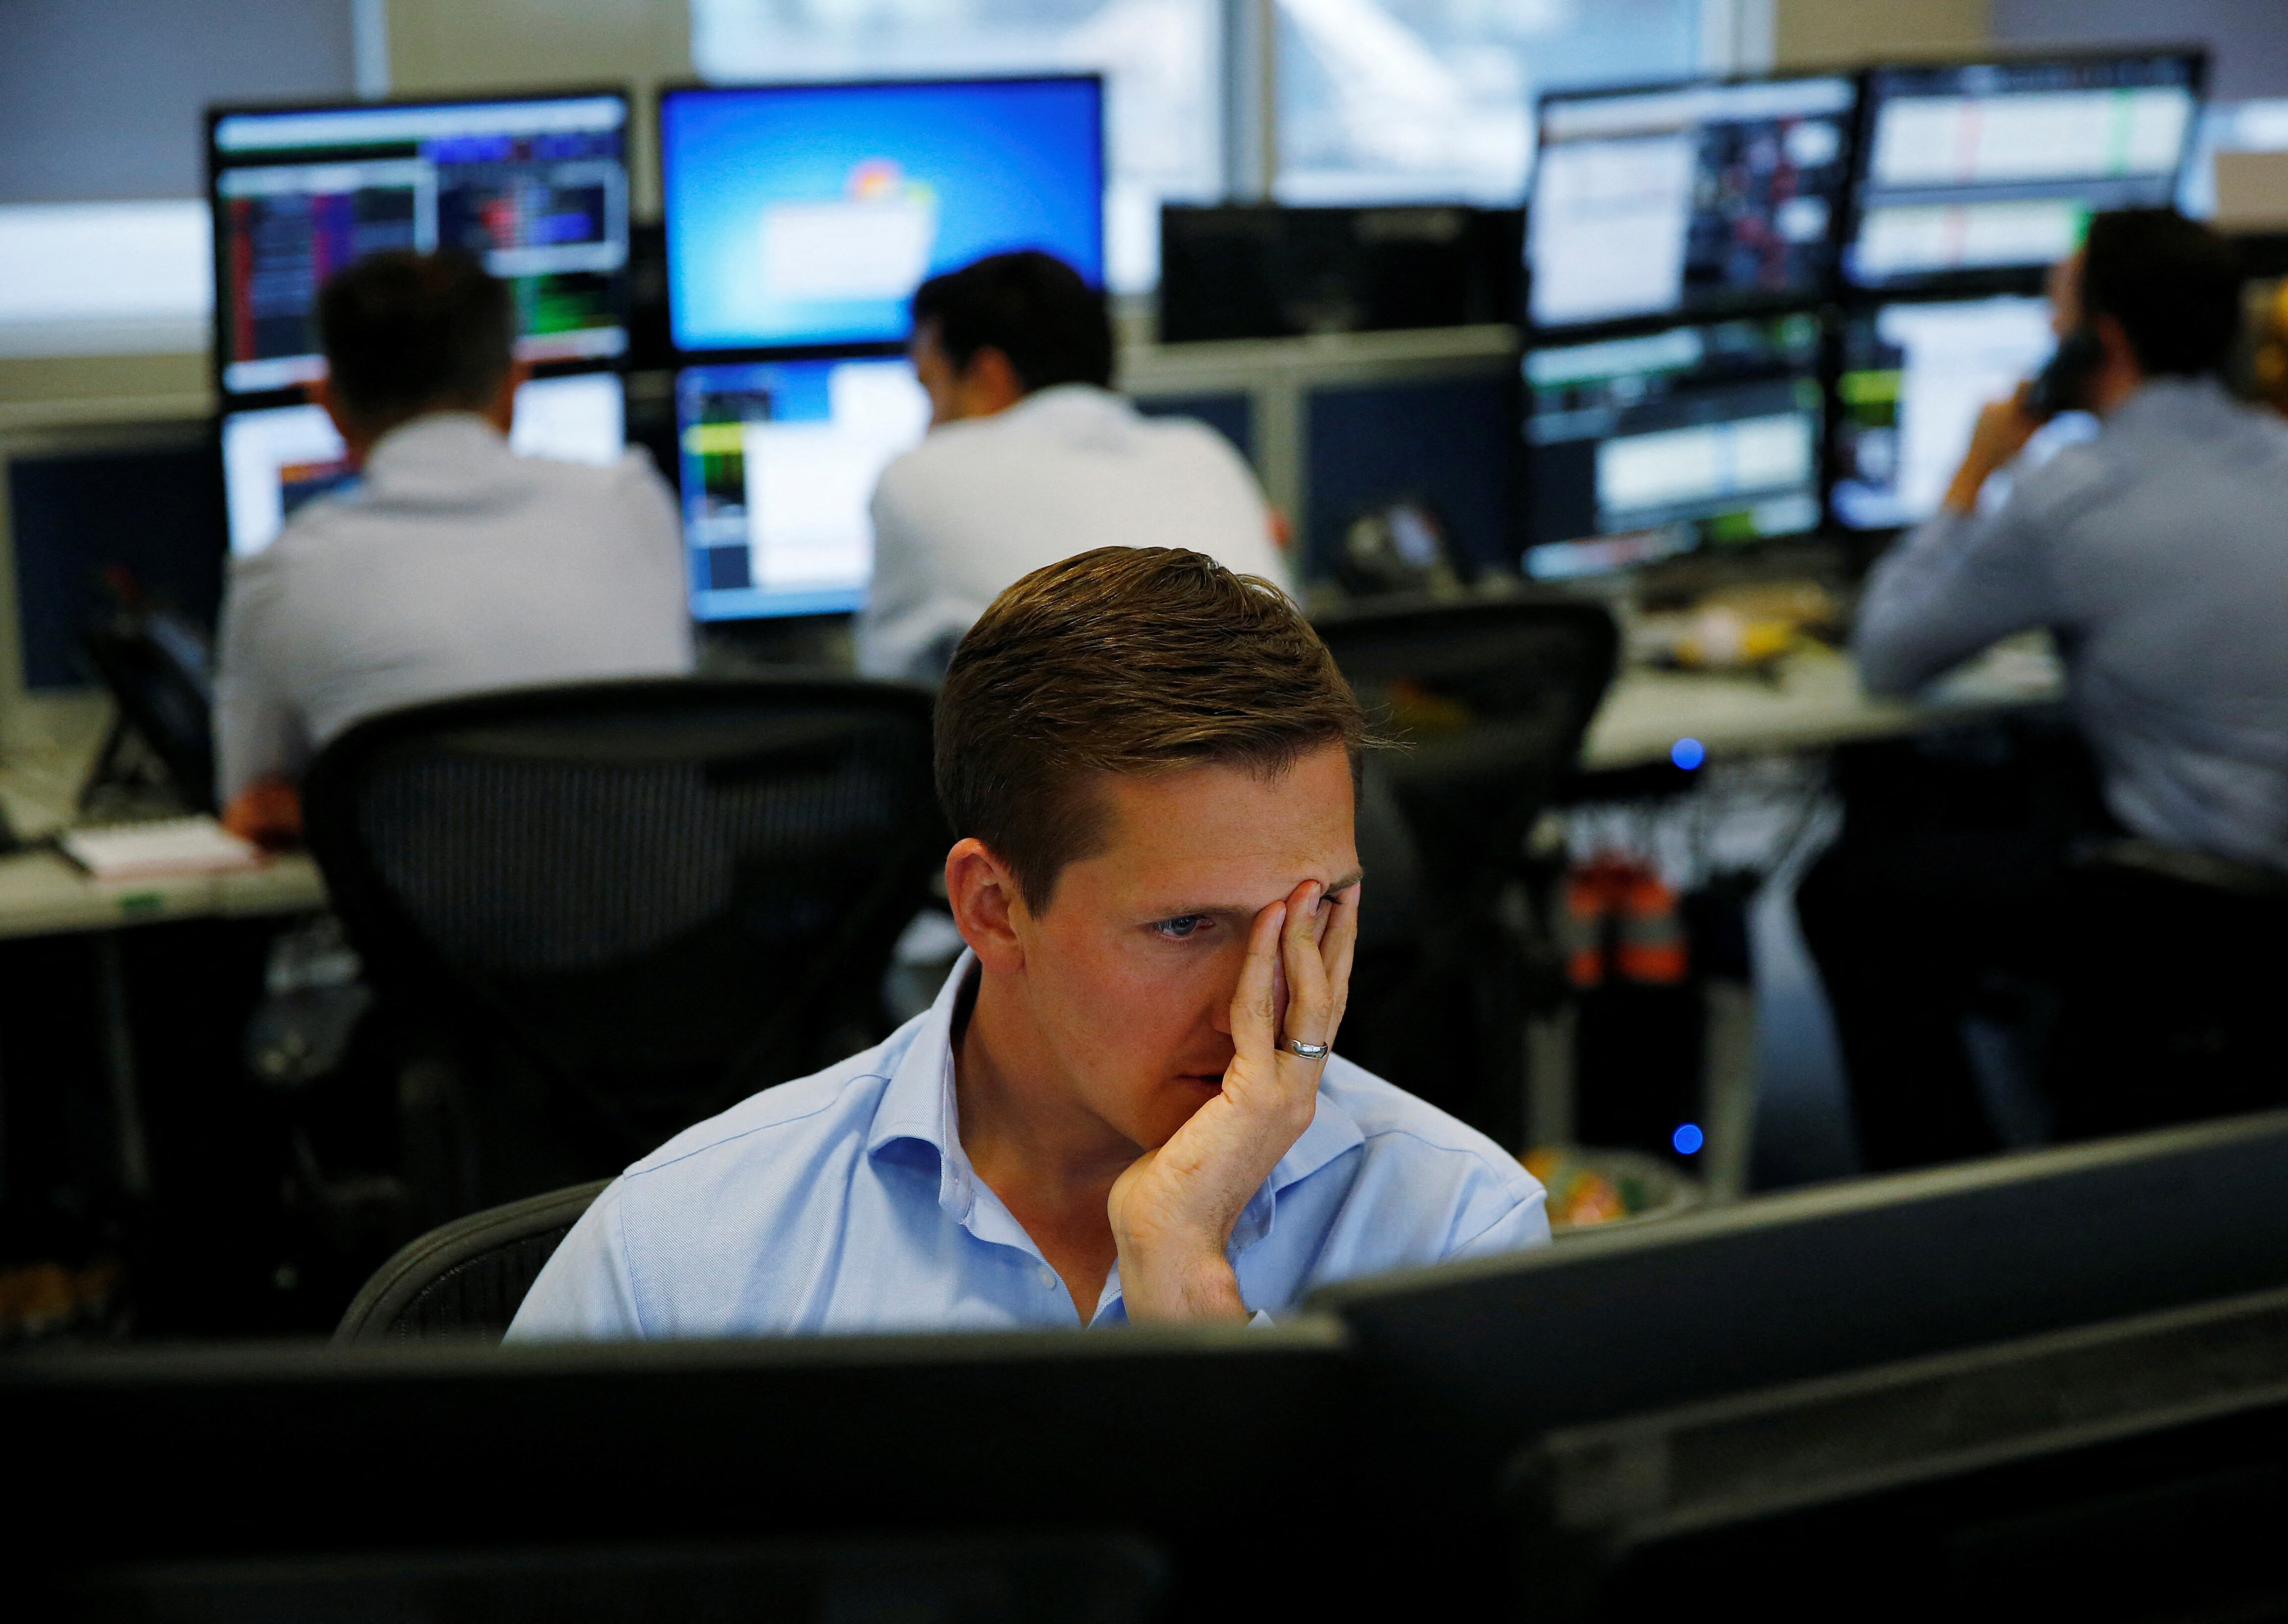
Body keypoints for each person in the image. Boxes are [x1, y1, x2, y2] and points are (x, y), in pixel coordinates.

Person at [511, 548, 1548, 1337]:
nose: (1261, 1007)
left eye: (1315, 914)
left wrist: (1186, 1277)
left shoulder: (1454, 1234)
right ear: (993, 908)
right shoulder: (686, 1258)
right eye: (1185, 926)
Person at [1797, 209, 2288, 1172]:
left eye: (2055, 311)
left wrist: (1975, 470)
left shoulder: (2074, 492)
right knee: (1972, 783)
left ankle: (1945, 1194)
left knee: (1847, 891)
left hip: (2182, 899)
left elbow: (1890, 656)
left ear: (2098, 340)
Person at [216, 250, 691, 842]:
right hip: (665, 925)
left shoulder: (283, 573)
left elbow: (250, 807)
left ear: (329, 406)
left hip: (437, 931)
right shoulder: (634, 502)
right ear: (515, 387)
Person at [856, 251, 1287, 685]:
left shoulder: (920, 475)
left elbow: (889, 697)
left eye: (930, 387)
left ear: (990, 377)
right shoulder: (1205, 451)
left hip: (1086, 749)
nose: (929, 422)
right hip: (1275, 744)